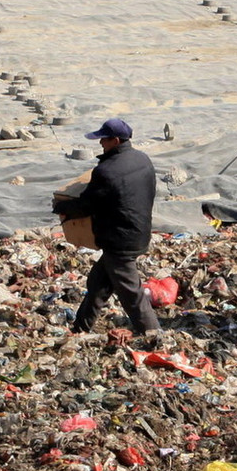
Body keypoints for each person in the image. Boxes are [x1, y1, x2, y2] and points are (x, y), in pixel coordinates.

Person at [52, 118, 160, 336]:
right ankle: (80, 328)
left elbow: (87, 204)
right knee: (98, 283)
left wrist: (62, 207)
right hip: (139, 232)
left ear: (116, 140)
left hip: (120, 241)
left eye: (104, 139)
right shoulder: (142, 159)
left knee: (131, 293)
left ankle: (153, 334)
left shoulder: (107, 171)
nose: (101, 143)